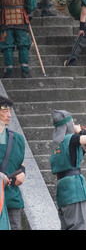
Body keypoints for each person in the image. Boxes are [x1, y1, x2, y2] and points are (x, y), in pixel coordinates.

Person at [50, 109, 86, 230]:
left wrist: (84, 150)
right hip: (74, 191)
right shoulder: (71, 139)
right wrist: (81, 131)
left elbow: (70, 162)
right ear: (67, 125)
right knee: (79, 226)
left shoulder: (56, 146)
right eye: (72, 123)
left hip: (63, 193)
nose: (74, 125)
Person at [0, 0, 37, 78]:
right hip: (21, 18)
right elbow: (31, 2)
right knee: (23, 44)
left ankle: (8, 71)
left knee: (7, 45)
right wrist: (28, 10)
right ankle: (25, 70)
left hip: (5, 19)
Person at [0, 96, 26, 230]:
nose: (9, 115)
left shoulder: (18, 139)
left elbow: (20, 163)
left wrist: (23, 173)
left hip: (12, 195)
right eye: (4, 111)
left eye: (10, 111)